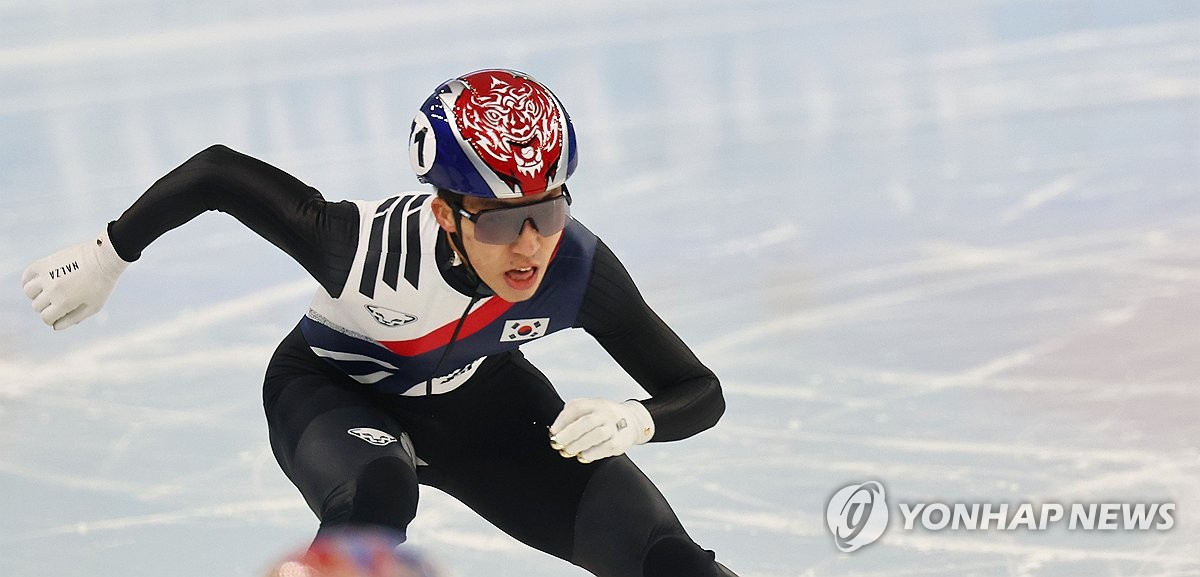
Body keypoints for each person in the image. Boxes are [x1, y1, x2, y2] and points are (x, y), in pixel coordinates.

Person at [21, 69, 737, 577]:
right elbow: (220, 173)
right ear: (445, 215)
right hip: (335, 393)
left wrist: (640, 418)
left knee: (665, 558)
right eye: (502, 222)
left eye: (546, 211)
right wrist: (108, 253)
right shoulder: (362, 247)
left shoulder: (575, 265)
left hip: (480, 406)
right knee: (378, 497)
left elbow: (698, 389)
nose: (529, 246)